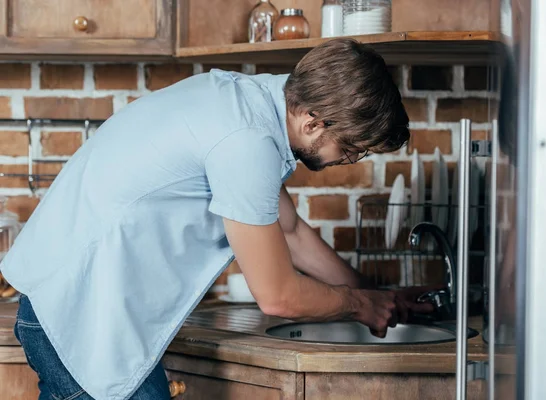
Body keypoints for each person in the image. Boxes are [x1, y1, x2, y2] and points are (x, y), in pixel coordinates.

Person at [1, 38, 434, 400]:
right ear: (313, 121)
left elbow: (291, 231)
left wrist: (378, 297)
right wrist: (361, 306)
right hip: (81, 317)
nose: (350, 160)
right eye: (352, 148)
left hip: (71, 303)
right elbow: (278, 296)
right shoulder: (247, 141)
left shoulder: (257, 104)